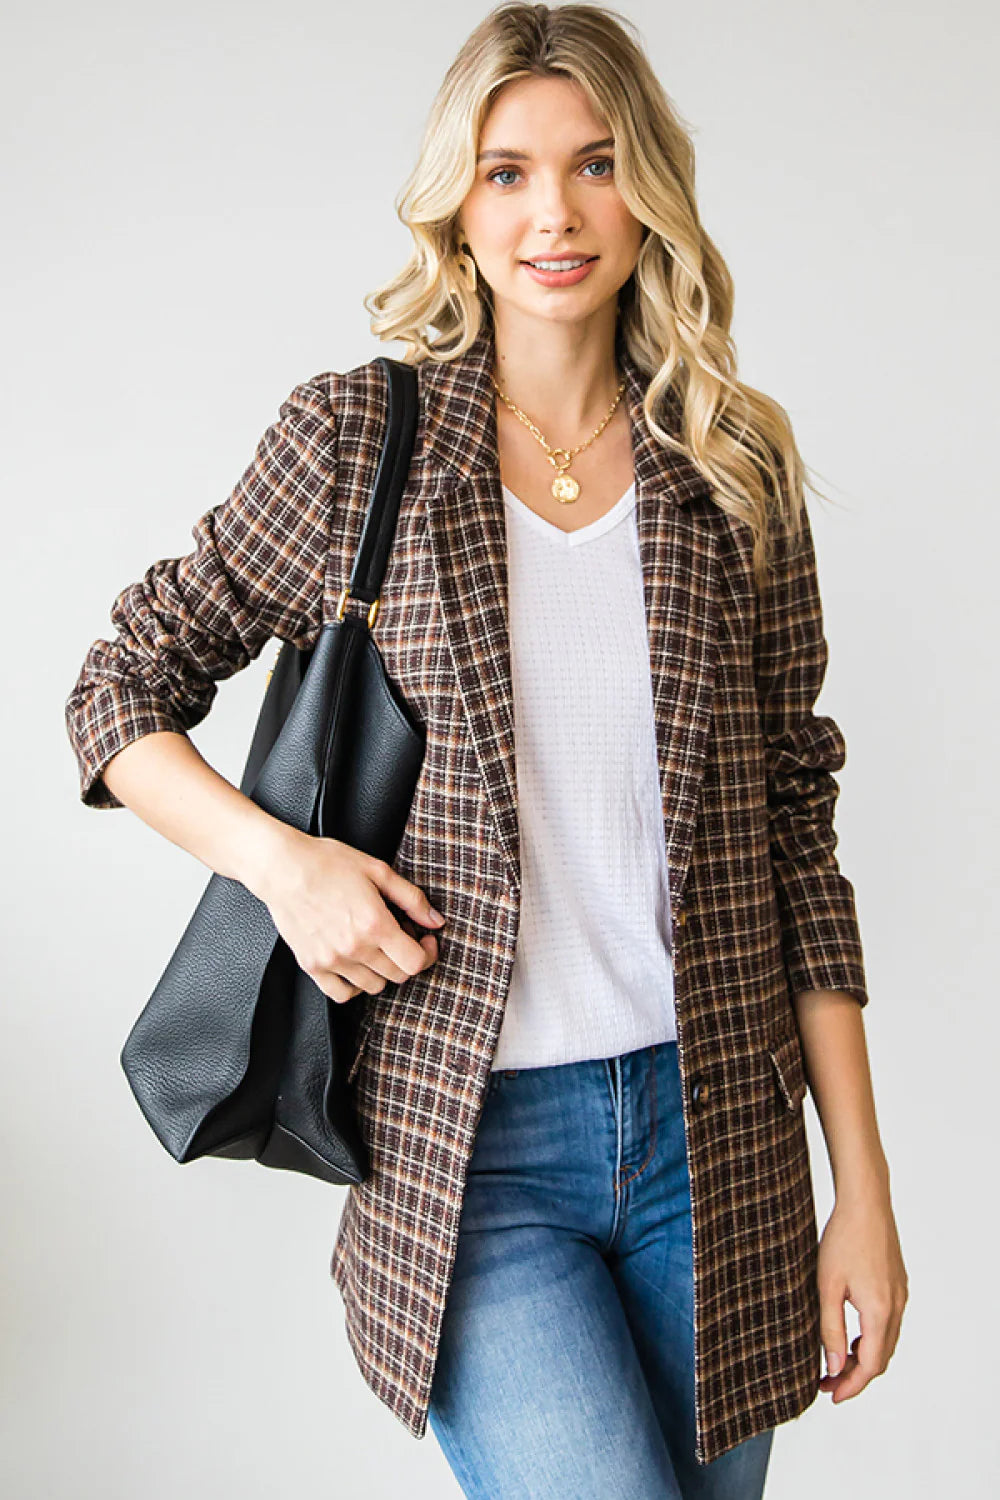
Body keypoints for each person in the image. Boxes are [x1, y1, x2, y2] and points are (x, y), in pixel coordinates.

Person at [64, 4, 908, 1496]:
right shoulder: (356, 443)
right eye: (508, 172)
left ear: (650, 186)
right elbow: (118, 688)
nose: (556, 213)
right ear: (458, 199)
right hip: (477, 1161)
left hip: (719, 1138)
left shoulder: (729, 467)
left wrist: (866, 1189)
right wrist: (287, 868)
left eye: (594, 165)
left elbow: (797, 828)